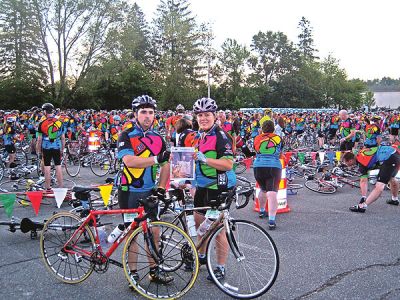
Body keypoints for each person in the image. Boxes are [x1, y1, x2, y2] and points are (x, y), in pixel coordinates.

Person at [116, 95, 172, 284]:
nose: (147, 116)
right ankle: (133, 273)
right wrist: (156, 159)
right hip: (128, 191)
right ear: (135, 114)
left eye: (150, 112)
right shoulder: (126, 135)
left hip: (150, 191)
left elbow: (166, 165)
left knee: (154, 232)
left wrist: (162, 188)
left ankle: (154, 270)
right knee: (132, 234)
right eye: (143, 112)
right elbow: (129, 161)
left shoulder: (158, 137)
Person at [191, 97, 236, 281]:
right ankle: (202, 257)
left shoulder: (221, 136)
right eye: (200, 115)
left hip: (219, 186)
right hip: (202, 186)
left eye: (207, 115)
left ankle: (220, 266)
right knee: (199, 223)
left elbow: (227, 164)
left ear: (215, 116)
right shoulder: (198, 135)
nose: (203, 118)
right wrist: (189, 181)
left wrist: (205, 159)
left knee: (217, 229)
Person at [342, 146, 400, 213]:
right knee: (391, 178)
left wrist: (363, 197)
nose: (346, 165)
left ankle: (363, 206)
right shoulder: (360, 153)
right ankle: (395, 199)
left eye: (346, 163)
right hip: (394, 153)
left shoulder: (361, 163)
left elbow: (363, 181)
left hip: (388, 157)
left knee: (379, 186)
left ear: (350, 160)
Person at [253, 120, 283, 229]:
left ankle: (261, 211)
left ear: (262, 128)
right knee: (272, 192)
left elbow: (255, 150)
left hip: (258, 166)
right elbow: (280, 152)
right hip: (273, 166)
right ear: (273, 129)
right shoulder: (278, 138)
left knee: (262, 189)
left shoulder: (257, 138)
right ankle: (271, 220)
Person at [36, 103, 65, 190]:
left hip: (46, 147)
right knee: (58, 166)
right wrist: (62, 149)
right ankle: (61, 187)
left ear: (45, 111)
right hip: (57, 146)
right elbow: (63, 138)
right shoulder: (60, 122)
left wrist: (38, 151)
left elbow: (39, 140)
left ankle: (47, 187)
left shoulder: (42, 123)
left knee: (47, 167)